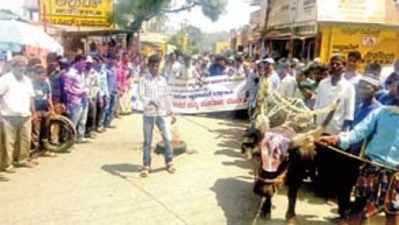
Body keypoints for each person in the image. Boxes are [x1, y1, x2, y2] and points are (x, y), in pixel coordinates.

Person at [319, 78, 399, 225]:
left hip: (395, 174)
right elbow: (358, 132)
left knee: (392, 212)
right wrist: (337, 139)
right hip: (372, 168)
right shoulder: (382, 112)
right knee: (360, 209)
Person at [334, 72, 381, 224]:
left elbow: (369, 132)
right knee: (343, 184)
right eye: (360, 86)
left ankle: (355, 217)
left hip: (363, 155)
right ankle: (343, 213)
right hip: (349, 150)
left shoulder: (378, 110)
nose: (361, 90)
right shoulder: (359, 105)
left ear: (375, 89)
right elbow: (352, 126)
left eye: (366, 87)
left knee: (361, 190)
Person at [313, 55, 356, 200]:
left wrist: (343, 133)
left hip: (335, 130)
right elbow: (317, 105)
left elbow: (349, 112)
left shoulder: (348, 87)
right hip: (320, 128)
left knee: (333, 162)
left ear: (344, 67)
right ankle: (319, 187)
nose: (335, 67)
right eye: (333, 64)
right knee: (320, 160)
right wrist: (314, 124)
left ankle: (328, 191)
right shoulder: (323, 83)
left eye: (338, 64)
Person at [138, 54, 176, 177]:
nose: (155, 68)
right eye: (153, 66)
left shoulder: (163, 80)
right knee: (147, 141)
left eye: (157, 66)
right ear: (148, 66)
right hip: (149, 114)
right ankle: (146, 165)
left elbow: (167, 96)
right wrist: (151, 101)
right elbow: (141, 95)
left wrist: (171, 111)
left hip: (162, 113)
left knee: (167, 139)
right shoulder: (143, 80)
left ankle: (169, 162)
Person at [0, 56, 37, 172]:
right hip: (8, 116)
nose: (22, 67)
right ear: (13, 66)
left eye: (24, 65)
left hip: (25, 115)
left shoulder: (27, 80)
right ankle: (7, 164)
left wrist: (34, 113)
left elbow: (31, 97)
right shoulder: (5, 79)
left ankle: (22, 160)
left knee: (25, 139)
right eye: (19, 65)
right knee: (8, 142)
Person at [31, 65, 56, 157]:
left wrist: (52, 109)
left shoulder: (46, 84)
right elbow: (31, 100)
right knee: (35, 133)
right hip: (36, 111)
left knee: (46, 131)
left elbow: (49, 98)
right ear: (36, 75)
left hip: (45, 111)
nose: (43, 77)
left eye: (44, 75)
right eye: (41, 75)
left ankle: (45, 150)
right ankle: (34, 152)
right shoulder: (32, 84)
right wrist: (33, 113)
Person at [64, 56, 89, 144]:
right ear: (77, 62)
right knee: (74, 121)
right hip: (75, 100)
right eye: (83, 63)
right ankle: (69, 140)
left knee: (83, 120)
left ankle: (80, 137)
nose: (85, 65)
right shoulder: (70, 74)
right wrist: (79, 92)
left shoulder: (82, 73)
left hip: (84, 99)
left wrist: (85, 91)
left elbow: (84, 84)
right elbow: (67, 88)